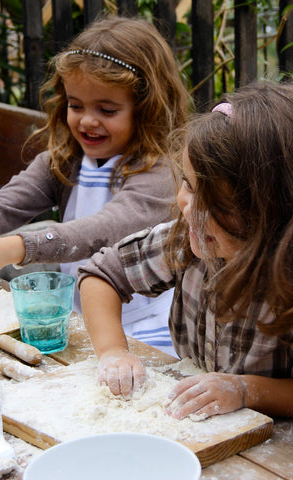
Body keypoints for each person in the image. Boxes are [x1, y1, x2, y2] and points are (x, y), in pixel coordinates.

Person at [0, 15, 191, 356]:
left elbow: (99, 232)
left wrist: (12, 248)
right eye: (76, 105)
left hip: (147, 330)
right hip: (78, 319)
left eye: (107, 109)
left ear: (146, 109)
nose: (87, 120)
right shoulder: (63, 161)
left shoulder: (162, 174)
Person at [78, 80, 293, 419]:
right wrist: (113, 352)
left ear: (274, 211)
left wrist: (244, 389)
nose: (189, 209)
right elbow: (101, 275)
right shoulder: (187, 243)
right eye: (188, 186)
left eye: (217, 204)